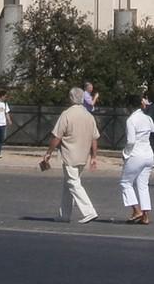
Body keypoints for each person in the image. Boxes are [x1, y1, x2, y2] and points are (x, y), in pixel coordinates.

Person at [42, 86, 100, 224]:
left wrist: (48, 152)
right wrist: (94, 156)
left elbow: (57, 136)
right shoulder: (89, 116)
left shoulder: (67, 114)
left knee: (73, 183)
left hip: (70, 154)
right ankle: (65, 215)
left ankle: (89, 211)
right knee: (68, 184)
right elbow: (94, 138)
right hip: (83, 155)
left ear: (70, 98)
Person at [119, 94, 154, 225]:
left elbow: (131, 141)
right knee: (143, 185)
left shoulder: (131, 120)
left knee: (125, 183)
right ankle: (145, 216)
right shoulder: (147, 118)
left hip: (136, 154)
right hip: (149, 154)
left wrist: (125, 153)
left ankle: (136, 210)